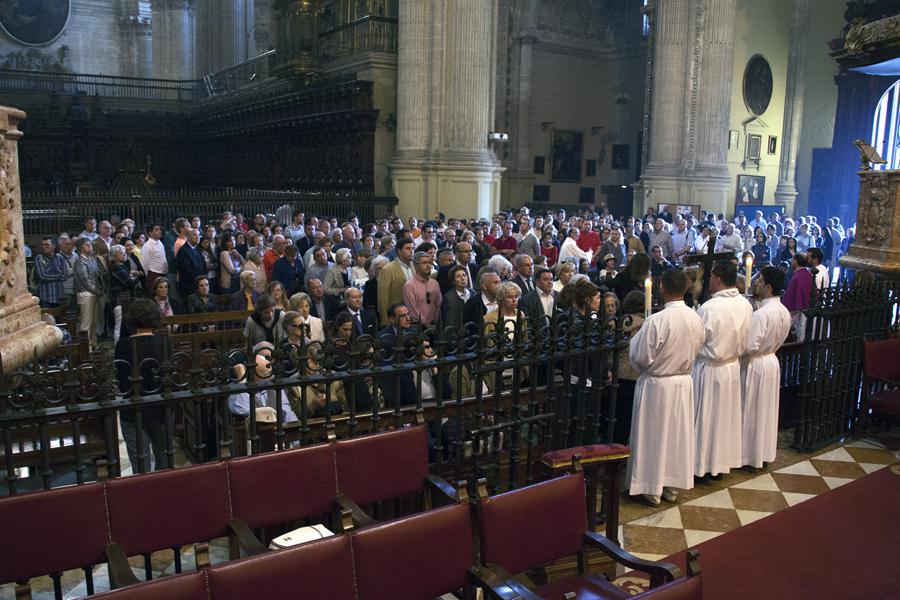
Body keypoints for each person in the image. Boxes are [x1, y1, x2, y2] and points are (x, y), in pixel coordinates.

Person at [627, 269, 705, 505]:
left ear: (661, 289)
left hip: (657, 386)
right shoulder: (695, 317)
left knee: (654, 435)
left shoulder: (657, 320)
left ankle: (651, 487)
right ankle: (672, 487)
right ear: (685, 289)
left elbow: (640, 357)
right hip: (682, 383)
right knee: (676, 436)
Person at [692, 260, 753, 482]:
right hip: (731, 368)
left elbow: (696, 340)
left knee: (706, 418)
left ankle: (701, 466)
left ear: (717, 279)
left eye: (711, 277)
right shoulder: (746, 304)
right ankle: (718, 466)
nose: (709, 281)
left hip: (709, 368)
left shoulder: (710, 308)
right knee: (723, 420)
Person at [115, 298, 175, 472]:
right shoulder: (164, 341)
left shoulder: (123, 345)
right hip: (161, 408)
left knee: (140, 465)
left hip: (134, 408)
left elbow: (121, 379)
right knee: (165, 460)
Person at [742, 266, 792, 470]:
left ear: (769, 287)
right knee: (766, 409)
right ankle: (763, 452)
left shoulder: (762, 314)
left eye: (760, 281)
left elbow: (750, 346)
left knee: (752, 408)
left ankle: (748, 455)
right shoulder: (783, 310)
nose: (756, 283)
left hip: (757, 364)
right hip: (771, 361)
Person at [227, 342, 299, 423]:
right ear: (253, 373)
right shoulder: (235, 388)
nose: (270, 378)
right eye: (265, 375)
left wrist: (294, 428)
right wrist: (242, 382)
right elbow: (242, 409)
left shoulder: (274, 384)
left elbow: (287, 412)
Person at [73, 238, 105, 350]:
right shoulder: (80, 261)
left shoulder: (91, 260)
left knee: (94, 322)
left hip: (93, 293)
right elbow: (85, 280)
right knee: (86, 323)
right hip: (85, 293)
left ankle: (93, 343)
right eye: (87, 245)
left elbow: (97, 275)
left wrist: (100, 289)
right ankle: (86, 348)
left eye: (90, 244)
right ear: (81, 247)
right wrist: (97, 291)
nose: (90, 246)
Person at [377, 237, 415, 324]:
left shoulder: (415, 266)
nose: (411, 251)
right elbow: (383, 298)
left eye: (413, 248)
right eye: (408, 248)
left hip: (413, 315)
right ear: (399, 251)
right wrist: (386, 321)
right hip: (396, 316)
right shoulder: (387, 269)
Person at [403, 250, 442, 327]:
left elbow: (439, 304)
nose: (428, 266)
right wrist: (426, 324)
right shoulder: (409, 286)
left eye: (430, 263)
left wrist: (435, 322)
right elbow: (413, 311)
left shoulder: (434, 283)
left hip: (435, 326)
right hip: (417, 327)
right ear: (416, 266)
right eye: (424, 263)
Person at [34, 237, 69, 308]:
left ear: (54, 246)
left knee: (60, 318)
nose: (44, 247)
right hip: (45, 296)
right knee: (46, 318)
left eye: (47, 245)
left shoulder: (60, 258)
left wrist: (50, 274)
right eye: (43, 245)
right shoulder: (39, 258)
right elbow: (42, 276)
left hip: (58, 296)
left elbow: (65, 275)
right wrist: (59, 275)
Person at [441, 264, 474, 330]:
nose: (462, 278)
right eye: (458, 276)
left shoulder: (473, 293)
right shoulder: (448, 298)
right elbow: (449, 321)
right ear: (453, 281)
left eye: (464, 275)